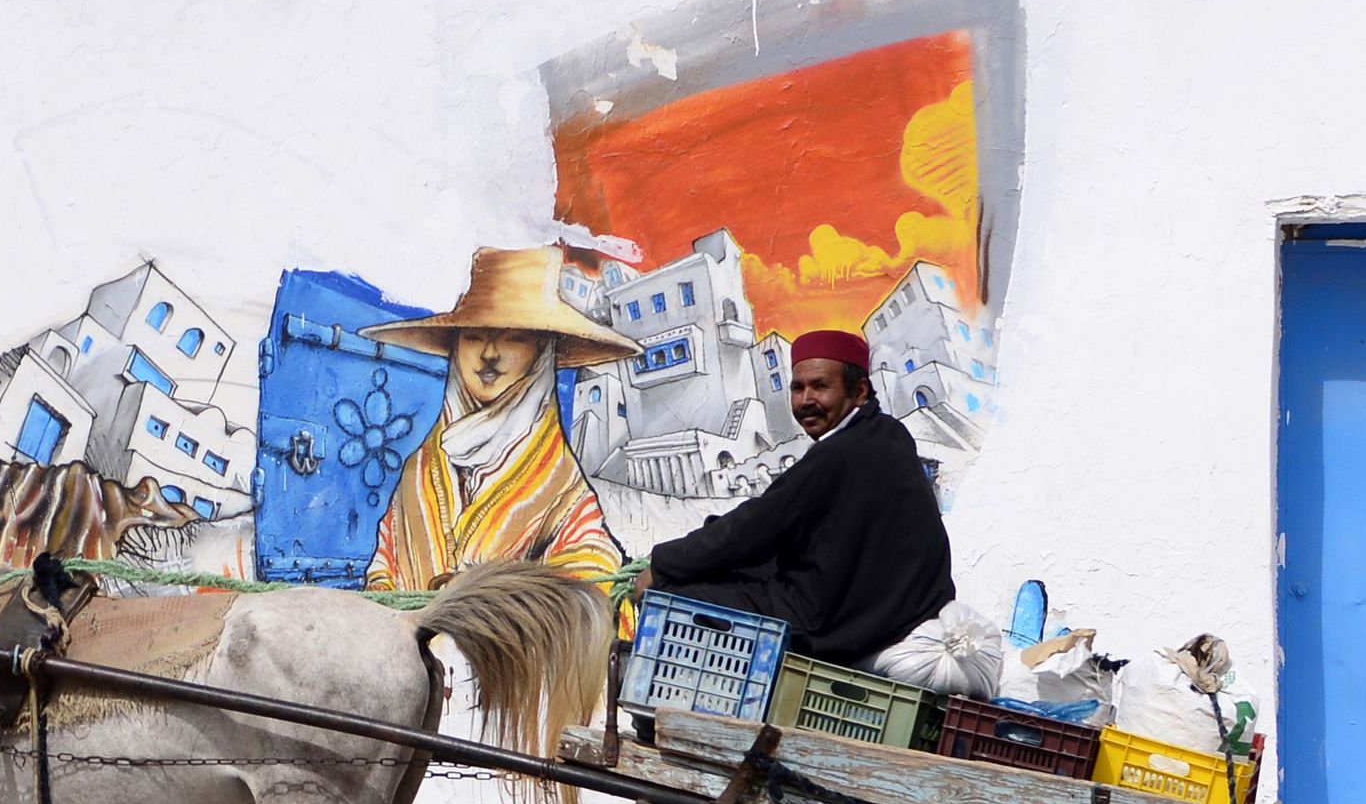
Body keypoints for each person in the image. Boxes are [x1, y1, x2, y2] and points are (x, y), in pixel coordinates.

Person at [647, 327, 955, 669]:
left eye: (821, 386)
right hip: (879, 614)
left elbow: (752, 529)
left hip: (840, 623)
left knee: (676, 598)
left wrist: (662, 564)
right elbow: (782, 524)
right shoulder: (887, 436)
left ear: (859, 391)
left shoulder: (841, 453)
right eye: (798, 388)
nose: (806, 400)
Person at [363, 247, 638, 592]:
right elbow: (384, 562)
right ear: (454, 347)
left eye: (514, 337)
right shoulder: (419, 468)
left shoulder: (560, 486)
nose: (489, 354)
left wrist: (491, 600)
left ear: (541, 355)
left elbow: (589, 577)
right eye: (473, 337)